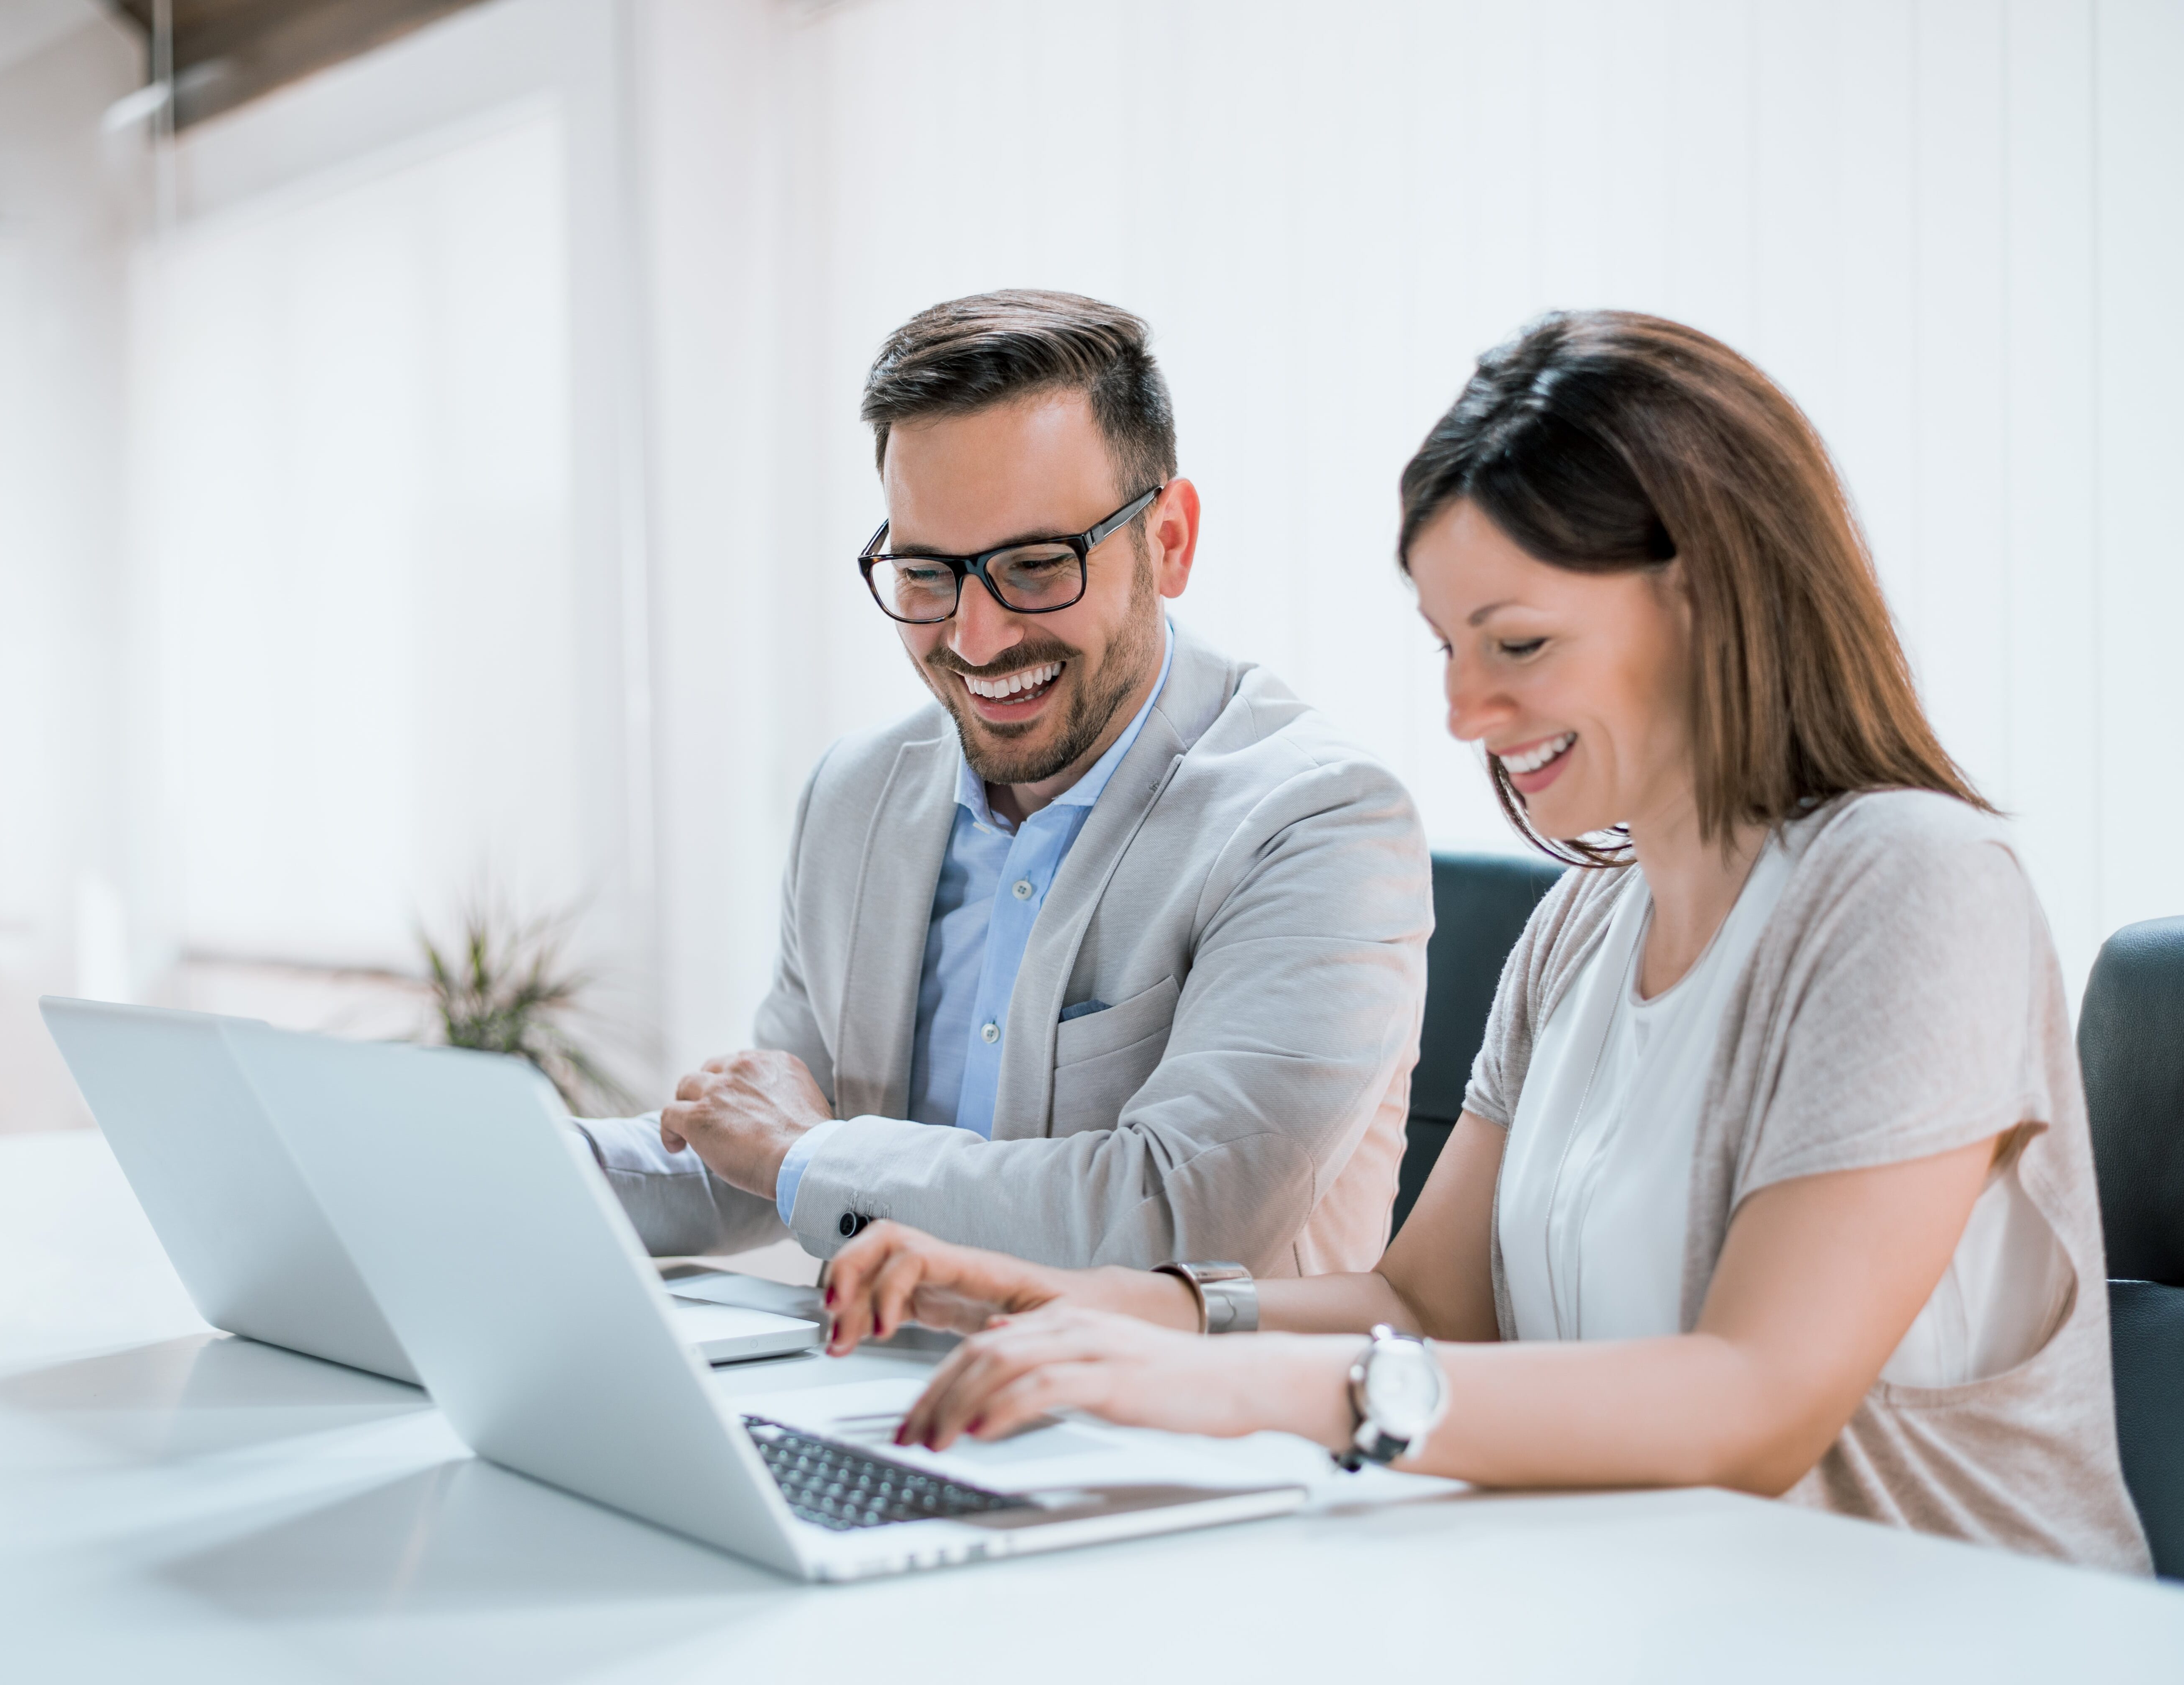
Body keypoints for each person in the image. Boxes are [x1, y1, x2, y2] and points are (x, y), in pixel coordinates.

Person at [817, 310, 2152, 1574]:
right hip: (1652, 1614)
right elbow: (1427, 1301)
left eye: (1515, 641)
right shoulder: (1580, 921)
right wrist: (1091, 1304)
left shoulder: (1911, 886)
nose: (1465, 712)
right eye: (1447, 645)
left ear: (1713, 603)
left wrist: (1241, 1384)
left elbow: (1751, 1402)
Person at [571, 290, 1430, 1275]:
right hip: (880, 1400)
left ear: (1171, 541)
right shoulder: (855, 796)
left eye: (1034, 565)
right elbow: (762, 1150)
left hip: (1168, 1418)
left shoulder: (1318, 822)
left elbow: (1178, 1220)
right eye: (928, 574)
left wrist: (808, 1152)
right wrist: (514, 1166)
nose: (975, 641)